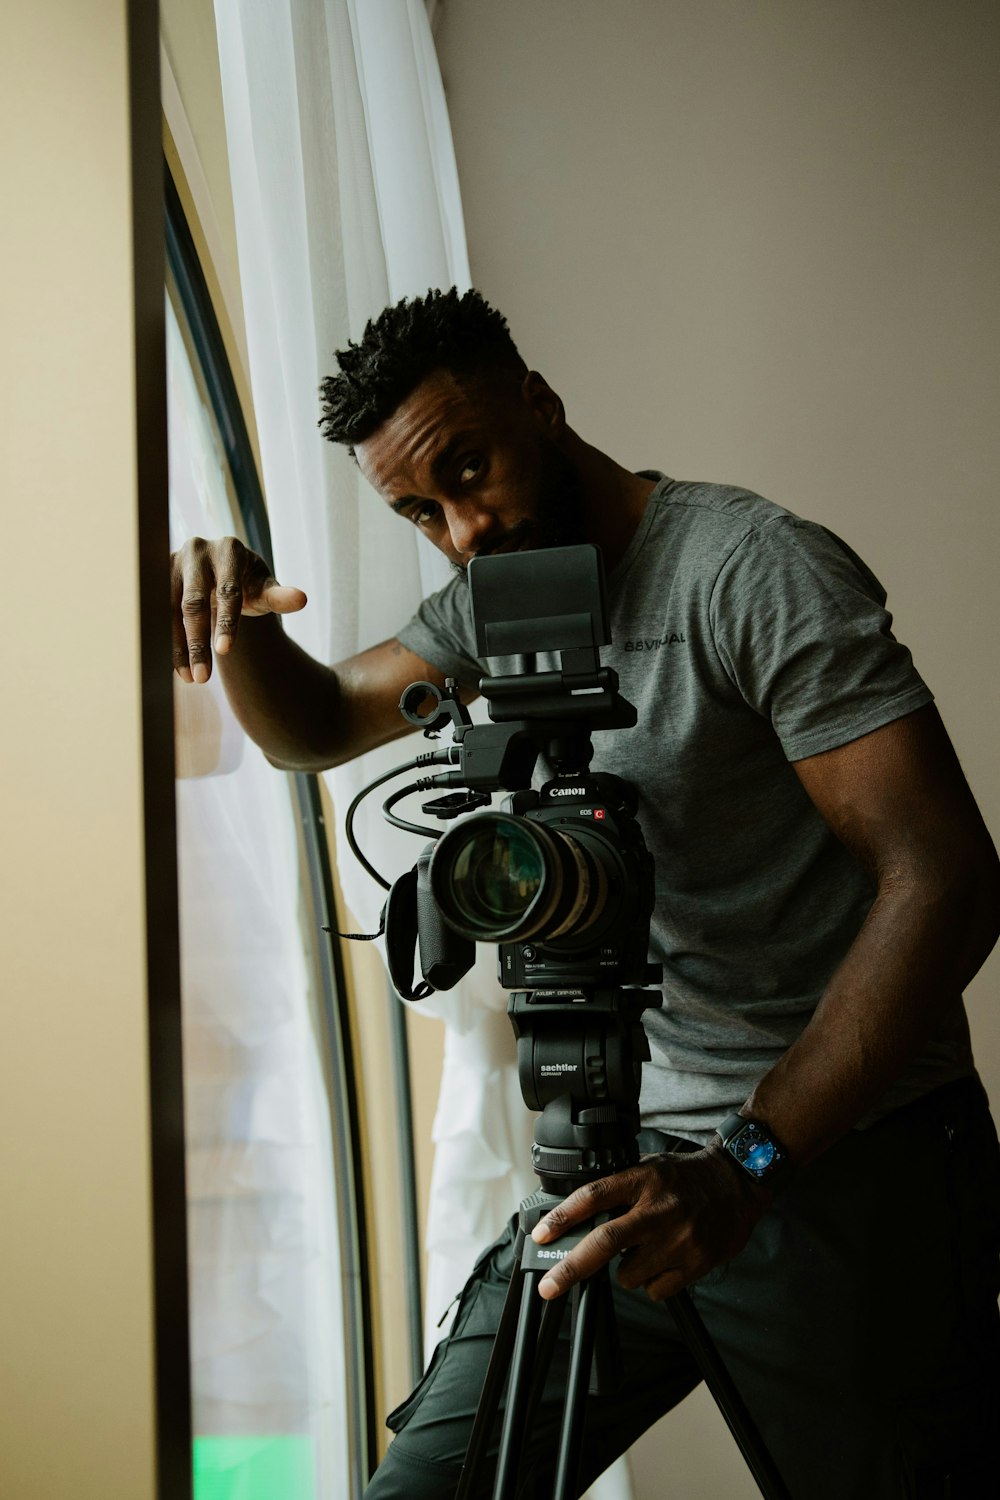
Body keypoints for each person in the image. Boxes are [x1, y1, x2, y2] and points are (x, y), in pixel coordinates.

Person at [171, 288, 1000, 1498]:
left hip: (843, 1163)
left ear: (541, 407)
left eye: (470, 471)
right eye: (418, 510)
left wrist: (744, 1167)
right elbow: (317, 723)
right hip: (631, 1164)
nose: (460, 530)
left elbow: (946, 878)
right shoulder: (505, 586)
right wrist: (239, 622)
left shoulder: (749, 570)